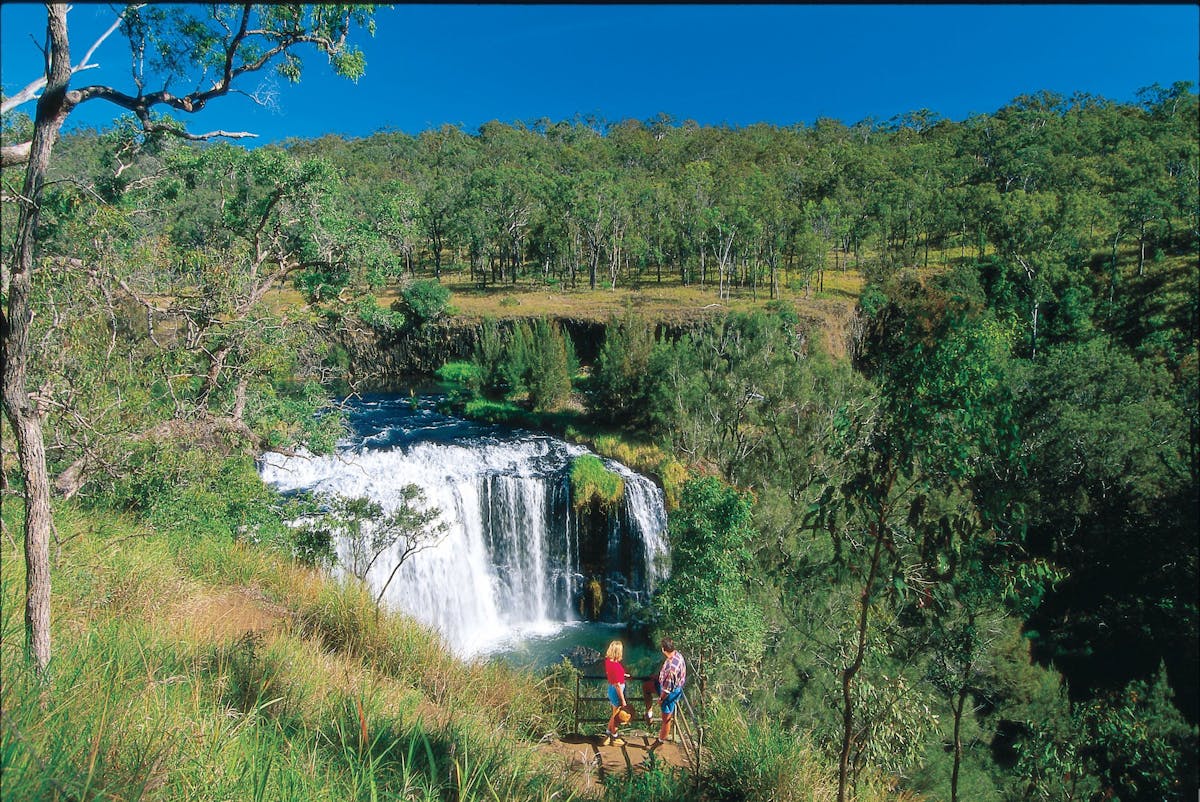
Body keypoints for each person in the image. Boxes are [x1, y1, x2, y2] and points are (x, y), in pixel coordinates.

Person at [642, 636, 686, 749]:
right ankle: (649, 713)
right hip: (667, 684)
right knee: (646, 687)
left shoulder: (671, 670)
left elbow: (666, 690)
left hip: (670, 693)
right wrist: (657, 677)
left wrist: (661, 700)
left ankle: (659, 741)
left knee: (666, 718)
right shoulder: (677, 655)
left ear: (663, 649)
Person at [602, 640, 629, 746]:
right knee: (617, 716)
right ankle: (614, 736)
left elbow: (614, 676)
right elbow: (618, 685)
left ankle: (608, 732)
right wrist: (623, 700)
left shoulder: (608, 661)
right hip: (617, 691)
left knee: (614, 714)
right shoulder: (616, 666)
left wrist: (623, 675)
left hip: (611, 689)